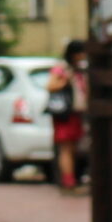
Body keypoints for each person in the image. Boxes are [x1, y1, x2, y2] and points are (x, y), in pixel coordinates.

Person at [46, 37, 89, 191]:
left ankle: (73, 177)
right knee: (66, 147)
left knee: (75, 147)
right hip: (64, 112)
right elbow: (50, 86)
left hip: (77, 111)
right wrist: (66, 79)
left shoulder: (81, 68)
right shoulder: (62, 69)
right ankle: (68, 180)